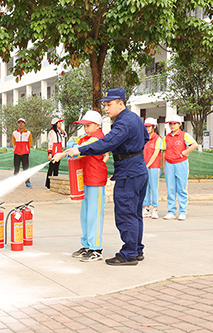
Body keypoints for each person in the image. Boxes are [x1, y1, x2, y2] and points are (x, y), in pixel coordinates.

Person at [53, 88, 149, 266]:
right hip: (137, 168)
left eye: (109, 104)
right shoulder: (133, 118)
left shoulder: (123, 122)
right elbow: (144, 138)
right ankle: (137, 250)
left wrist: (79, 150)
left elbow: (108, 143)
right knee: (135, 213)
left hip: (129, 171)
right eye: (105, 104)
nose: (106, 108)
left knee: (126, 213)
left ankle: (128, 254)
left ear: (121, 104)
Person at [66, 111, 109, 262]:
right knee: (85, 214)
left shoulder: (97, 138)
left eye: (88, 125)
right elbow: (72, 141)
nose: (85, 128)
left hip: (96, 179)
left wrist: (71, 149)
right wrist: (73, 146)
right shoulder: (87, 137)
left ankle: (96, 248)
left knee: (94, 215)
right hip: (85, 179)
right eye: (84, 126)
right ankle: (86, 245)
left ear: (98, 125)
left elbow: (79, 149)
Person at [161, 115, 198, 221]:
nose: (172, 126)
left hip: (181, 163)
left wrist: (184, 153)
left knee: (182, 188)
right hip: (169, 164)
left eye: (174, 124)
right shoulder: (166, 137)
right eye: (170, 124)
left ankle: (182, 212)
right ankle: (171, 211)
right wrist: (164, 166)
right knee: (171, 188)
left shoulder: (184, 135)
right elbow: (164, 151)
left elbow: (194, 145)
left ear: (180, 124)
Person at [142, 118, 162, 219]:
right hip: (144, 166)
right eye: (146, 126)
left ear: (154, 127)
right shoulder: (143, 138)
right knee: (145, 188)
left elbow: (155, 154)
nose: (147, 128)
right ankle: (146, 208)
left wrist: (147, 165)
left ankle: (155, 208)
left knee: (154, 188)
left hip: (154, 167)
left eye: (149, 126)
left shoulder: (158, 139)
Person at [45, 117, 66, 190]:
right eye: (59, 122)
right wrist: (50, 153)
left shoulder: (58, 132)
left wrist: (60, 129)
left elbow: (65, 135)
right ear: (55, 124)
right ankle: (48, 184)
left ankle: (55, 184)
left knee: (56, 169)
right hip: (54, 152)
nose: (60, 124)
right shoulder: (51, 132)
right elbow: (50, 143)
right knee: (51, 168)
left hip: (59, 152)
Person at [12, 118, 33, 188]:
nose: (21, 124)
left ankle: (27, 182)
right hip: (17, 153)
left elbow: (30, 143)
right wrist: (17, 148)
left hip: (25, 153)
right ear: (17, 124)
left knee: (26, 169)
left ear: (24, 124)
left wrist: (25, 148)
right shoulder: (14, 133)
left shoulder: (28, 133)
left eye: (22, 123)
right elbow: (14, 143)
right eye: (19, 123)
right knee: (16, 168)